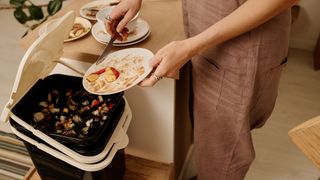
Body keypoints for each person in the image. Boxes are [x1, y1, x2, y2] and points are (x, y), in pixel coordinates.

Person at [105, 0, 298, 179]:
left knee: (223, 152)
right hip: (206, 35)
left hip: (242, 48)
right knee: (208, 135)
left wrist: (193, 46)